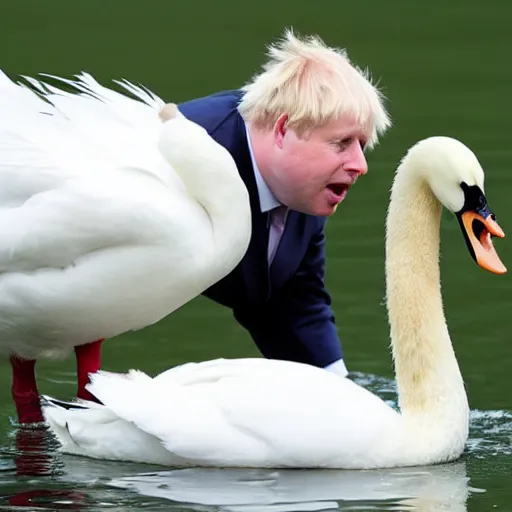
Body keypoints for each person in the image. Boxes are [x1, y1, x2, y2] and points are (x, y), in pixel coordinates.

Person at [177, 28, 391, 377]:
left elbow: (291, 301)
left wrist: (342, 395)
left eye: (361, 146)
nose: (361, 165)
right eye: (341, 143)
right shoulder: (184, 148)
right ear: (282, 130)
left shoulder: (303, 188)